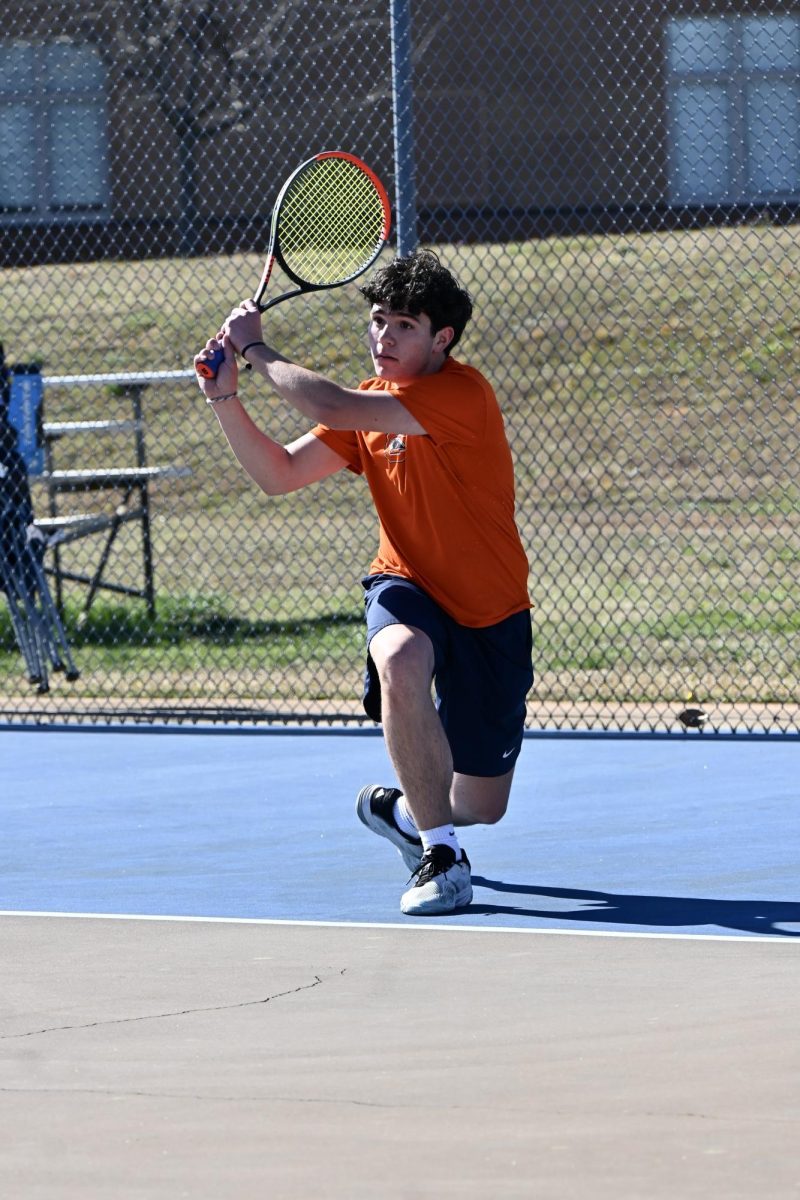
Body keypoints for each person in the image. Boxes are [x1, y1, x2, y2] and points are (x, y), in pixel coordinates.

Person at [194, 249, 533, 916]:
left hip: (491, 613)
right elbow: (280, 474)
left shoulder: (461, 396)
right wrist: (225, 397)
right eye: (378, 321)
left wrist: (255, 347)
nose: (383, 336)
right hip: (404, 582)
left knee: (483, 805)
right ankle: (442, 854)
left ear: (442, 339)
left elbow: (326, 402)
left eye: (403, 325)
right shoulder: (369, 408)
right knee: (401, 656)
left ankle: (408, 813)